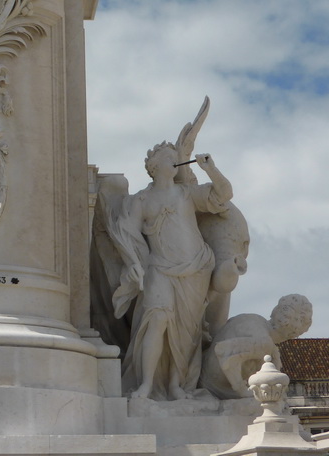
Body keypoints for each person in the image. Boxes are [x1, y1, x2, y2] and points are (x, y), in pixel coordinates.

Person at [111, 143, 233, 400]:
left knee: (186, 331)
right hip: (160, 268)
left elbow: (223, 195)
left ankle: (176, 385)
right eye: (169, 159)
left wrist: (211, 169)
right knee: (156, 319)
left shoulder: (187, 193)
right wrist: (133, 262)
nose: (175, 163)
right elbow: (127, 234)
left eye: (176, 159)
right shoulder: (141, 200)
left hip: (195, 269)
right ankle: (145, 384)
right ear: (154, 167)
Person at [200, 294, 313, 399]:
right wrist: (241, 390)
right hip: (213, 386)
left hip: (202, 373)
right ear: (293, 332)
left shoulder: (254, 319)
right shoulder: (264, 343)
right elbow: (224, 353)